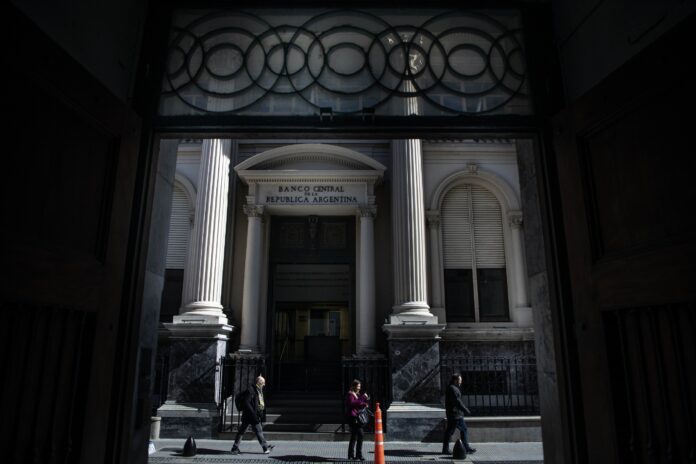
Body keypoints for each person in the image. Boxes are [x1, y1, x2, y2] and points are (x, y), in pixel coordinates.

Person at [231, 375, 275, 455]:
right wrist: (253, 414)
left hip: (253, 415)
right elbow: (246, 403)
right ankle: (265, 448)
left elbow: (257, 403)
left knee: (255, 431)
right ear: (259, 382)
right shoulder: (251, 390)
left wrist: (260, 413)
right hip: (250, 415)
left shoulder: (258, 390)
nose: (264, 384)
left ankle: (235, 448)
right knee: (246, 431)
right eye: (263, 383)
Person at [442, 373, 476, 455]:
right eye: (460, 380)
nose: (461, 382)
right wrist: (466, 410)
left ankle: (447, 449)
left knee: (456, 430)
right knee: (453, 431)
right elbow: (457, 401)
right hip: (455, 414)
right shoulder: (453, 389)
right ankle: (464, 448)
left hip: (455, 414)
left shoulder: (452, 388)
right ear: (455, 380)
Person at [345, 379, 369, 461]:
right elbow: (353, 404)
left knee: (354, 436)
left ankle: (351, 455)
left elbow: (359, 403)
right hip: (353, 418)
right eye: (358, 386)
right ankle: (359, 455)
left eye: (360, 386)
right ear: (354, 386)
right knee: (360, 435)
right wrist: (363, 397)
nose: (359, 388)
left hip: (356, 417)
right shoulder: (350, 394)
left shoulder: (356, 394)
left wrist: (364, 403)